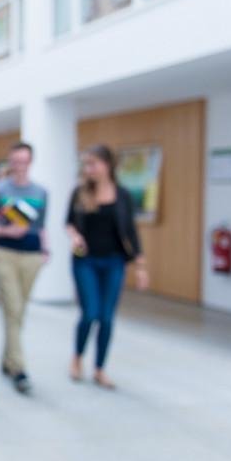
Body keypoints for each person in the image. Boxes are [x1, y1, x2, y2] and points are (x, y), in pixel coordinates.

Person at [66, 144, 149, 389]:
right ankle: (77, 357)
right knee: (90, 313)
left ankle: (100, 368)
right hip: (85, 261)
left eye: (93, 163)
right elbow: (69, 222)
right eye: (87, 164)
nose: (89, 169)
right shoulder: (80, 192)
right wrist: (75, 236)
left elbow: (131, 231)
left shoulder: (123, 195)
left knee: (107, 318)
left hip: (114, 261)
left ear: (108, 165)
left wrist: (141, 266)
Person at [0, 142, 48, 395]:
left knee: (19, 312)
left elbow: (41, 226)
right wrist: (5, 231)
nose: (20, 166)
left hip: (32, 255)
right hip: (6, 253)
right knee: (13, 308)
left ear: (30, 162)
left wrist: (45, 250)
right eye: (16, 161)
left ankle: (8, 359)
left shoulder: (40, 192)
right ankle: (19, 369)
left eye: (24, 161)